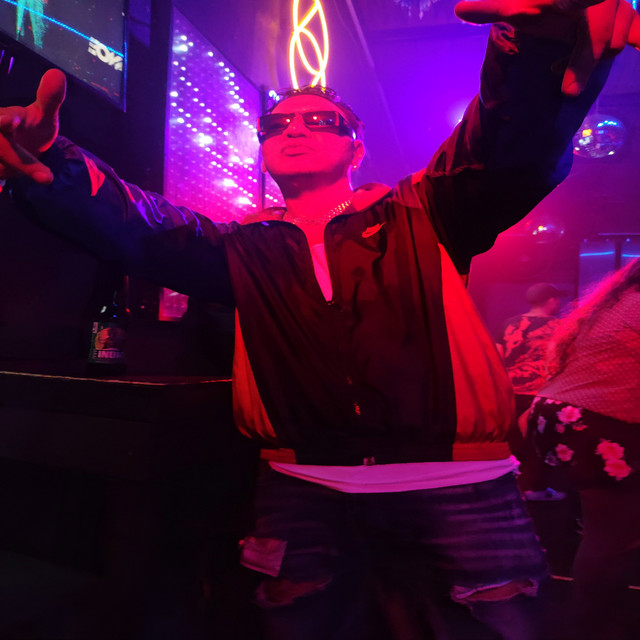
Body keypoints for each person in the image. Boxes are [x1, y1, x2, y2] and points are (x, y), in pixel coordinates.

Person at [1, 0, 639, 638]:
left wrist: (532, 49)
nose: (295, 128)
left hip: (461, 487)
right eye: (277, 123)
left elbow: (502, 151)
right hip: (302, 489)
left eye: (320, 120)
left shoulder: (425, 211)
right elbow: (139, 226)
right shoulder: (241, 246)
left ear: (356, 147)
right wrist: (53, 162)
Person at [527, 258, 640, 640]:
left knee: (610, 530)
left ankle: (596, 619)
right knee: (611, 537)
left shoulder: (618, 301)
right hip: (597, 421)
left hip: (559, 414)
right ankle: (592, 628)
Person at [500, 282, 567, 499]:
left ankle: (511, 487)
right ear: (551, 301)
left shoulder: (509, 323)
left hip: (510, 390)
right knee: (536, 441)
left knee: (512, 440)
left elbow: (498, 354)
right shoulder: (561, 326)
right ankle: (532, 488)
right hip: (541, 392)